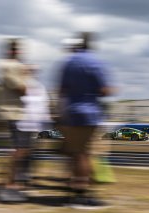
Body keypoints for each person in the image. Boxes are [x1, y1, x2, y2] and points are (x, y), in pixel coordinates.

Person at [58, 32, 113, 209]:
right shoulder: (94, 62)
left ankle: (74, 191)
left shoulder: (68, 62)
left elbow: (62, 90)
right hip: (88, 113)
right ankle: (82, 195)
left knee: (75, 154)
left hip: (70, 112)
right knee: (84, 154)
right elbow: (104, 90)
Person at [0, 37, 40, 202]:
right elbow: (22, 89)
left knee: (22, 149)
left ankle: (16, 183)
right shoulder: (8, 66)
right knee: (19, 150)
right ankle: (9, 185)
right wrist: (28, 75)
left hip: (19, 113)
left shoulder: (11, 66)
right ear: (15, 50)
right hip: (16, 113)